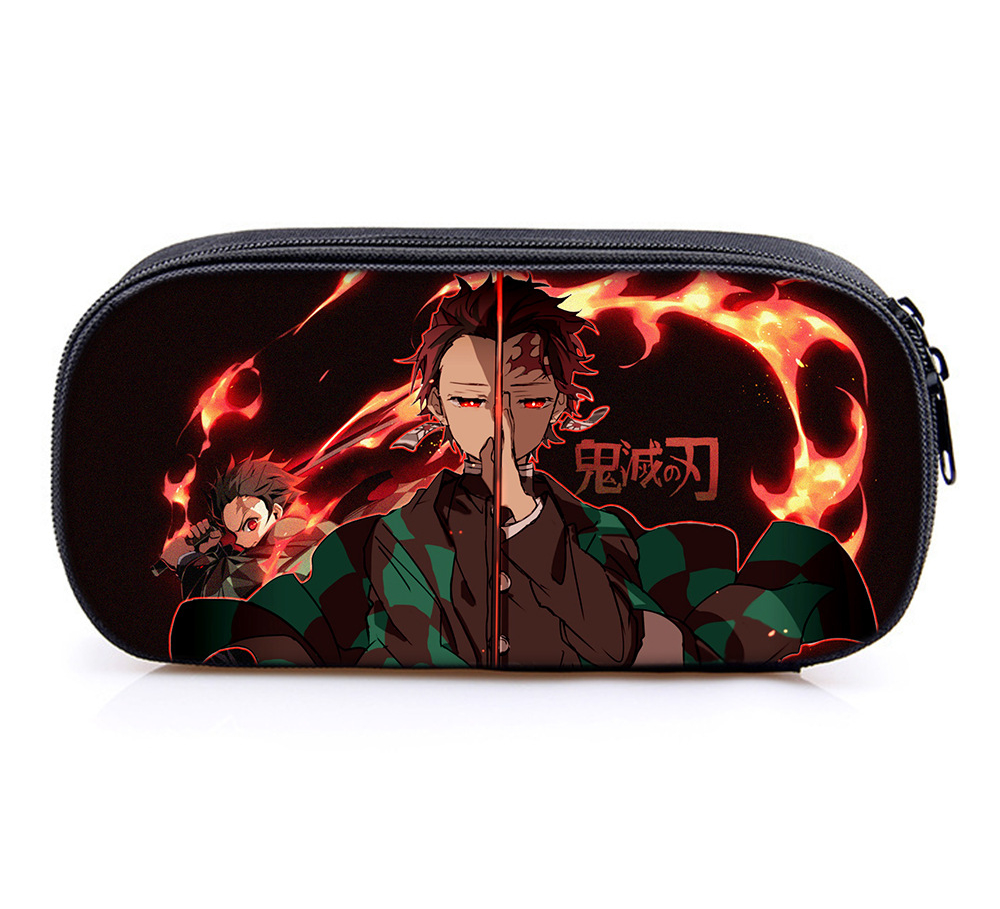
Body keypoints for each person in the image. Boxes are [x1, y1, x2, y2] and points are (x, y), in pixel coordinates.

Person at [168, 277, 876, 668]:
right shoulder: (374, 547)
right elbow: (276, 628)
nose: (499, 423)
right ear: (436, 406)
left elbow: (670, 638)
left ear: (564, 406)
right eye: (472, 401)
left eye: (528, 400)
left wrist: (529, 521)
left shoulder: (615, 543)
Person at [156, 457, 332, 601]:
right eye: (234, 533)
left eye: (250, 524)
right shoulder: (317, 530)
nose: (242, 541)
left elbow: (209, 607)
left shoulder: (287, 549)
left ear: (276, 512)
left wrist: (186, 560)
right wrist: (213, 553)